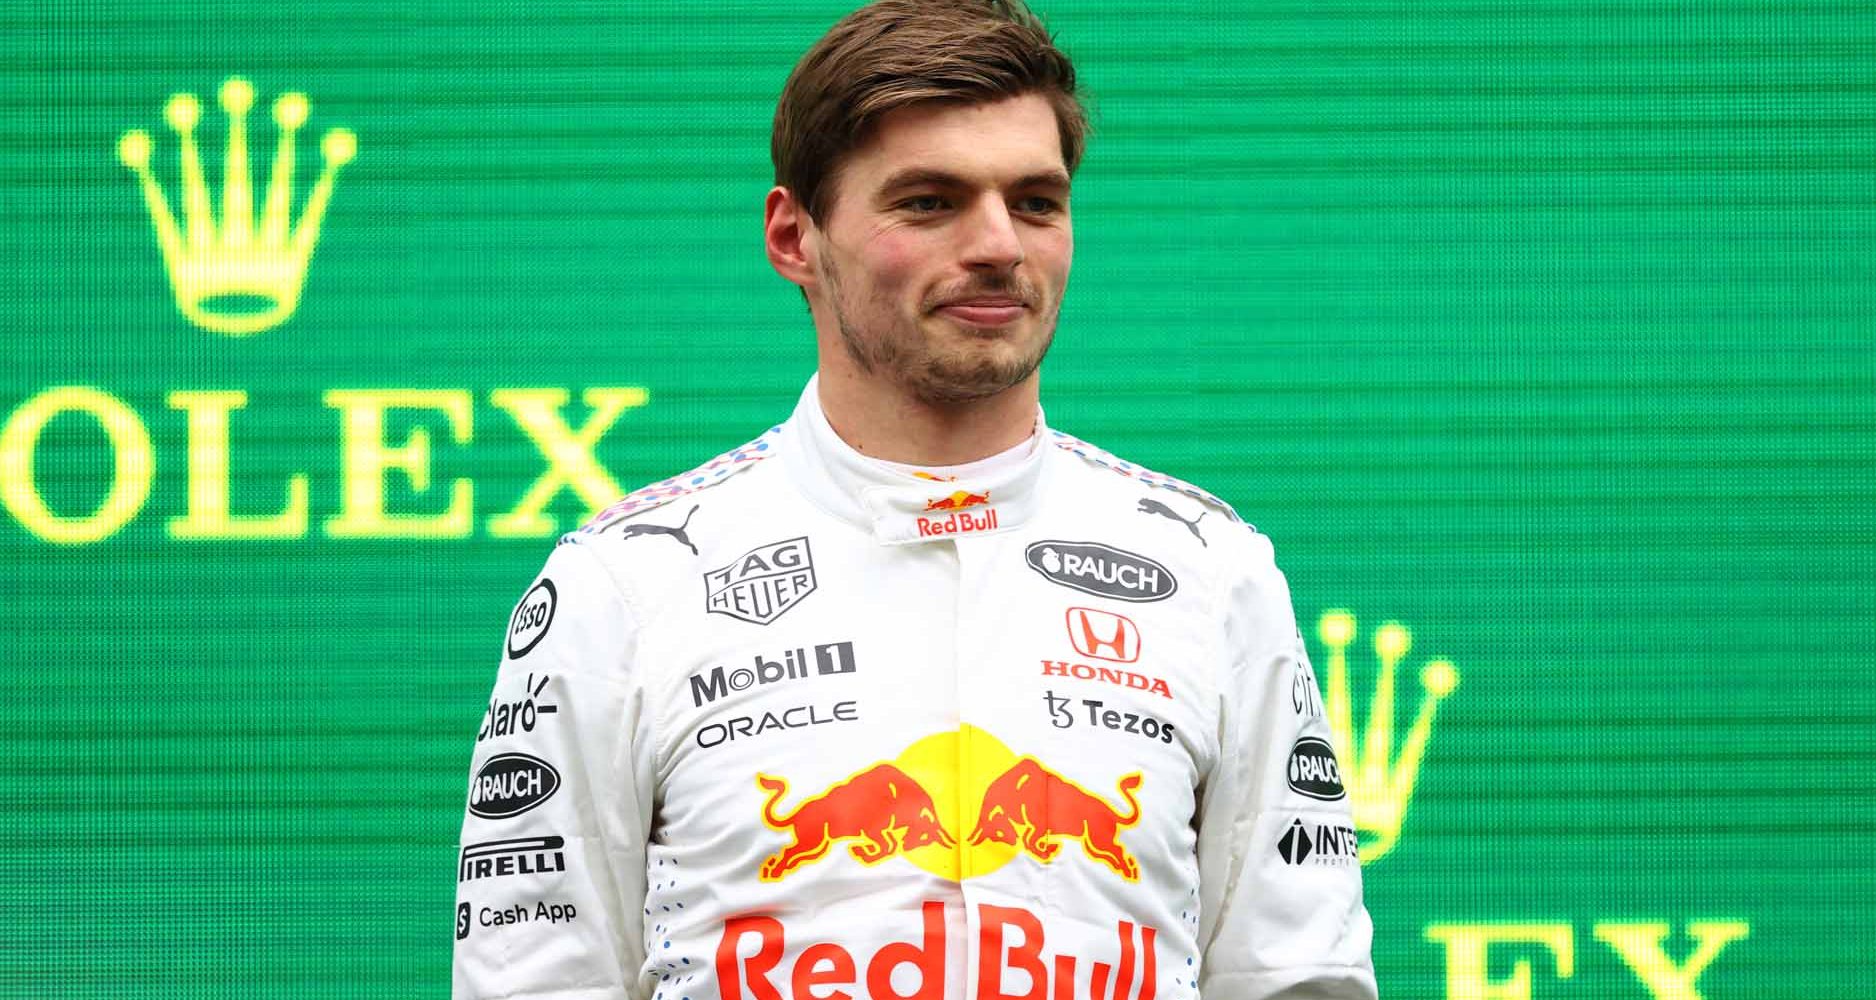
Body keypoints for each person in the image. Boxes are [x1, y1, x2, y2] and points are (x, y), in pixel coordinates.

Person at [451, 2, 1376, 998]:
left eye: (1035, 202)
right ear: (794, 237)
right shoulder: (623, 586)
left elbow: (1299, 979)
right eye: (929, 202)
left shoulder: (1214, 573)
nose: (996, 245)